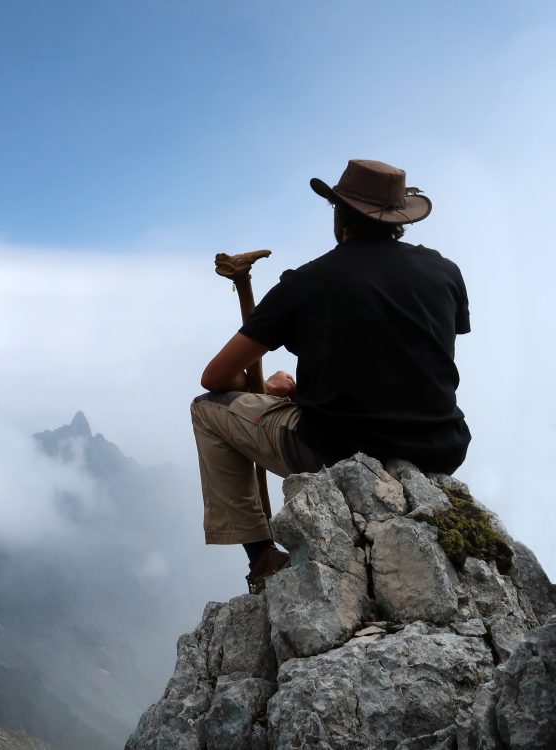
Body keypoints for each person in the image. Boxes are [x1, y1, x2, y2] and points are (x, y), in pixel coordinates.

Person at [191, 159, 471, 592]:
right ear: (398, 219)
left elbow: (215, 377)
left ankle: (261, 556)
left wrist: (269, 389)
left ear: (340, 215)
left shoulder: (306, 282)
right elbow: (411, 354)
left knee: (207, 410)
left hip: (335, 447)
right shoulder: (445, 271)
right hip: (440, 447)